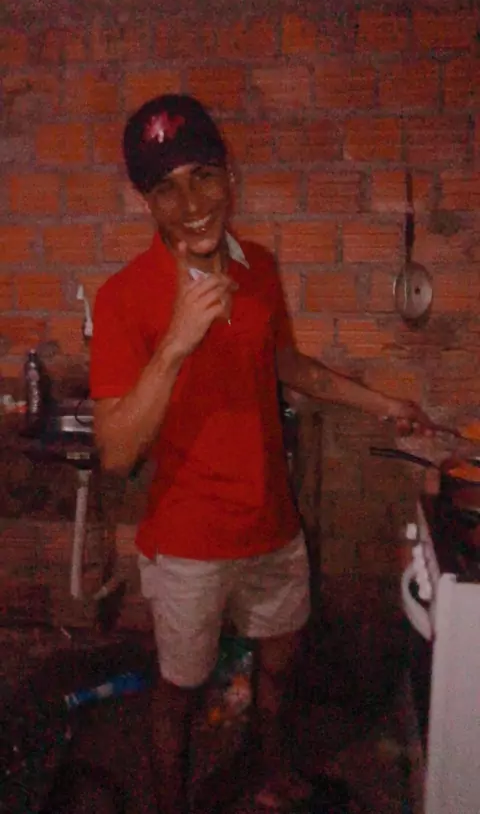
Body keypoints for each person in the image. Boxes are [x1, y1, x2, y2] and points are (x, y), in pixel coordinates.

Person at [89, 94, 433, 814]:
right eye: (166, 188)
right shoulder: (123, 297)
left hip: (273, 525)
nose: (191, 204)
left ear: (229, 176)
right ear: (146, 202)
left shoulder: (260, 268)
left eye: (204, 176)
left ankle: (271, 772)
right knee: (179, 692)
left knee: (278, 667)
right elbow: (116, 453)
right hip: (188, 543)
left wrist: (385, 404)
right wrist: (176, 342)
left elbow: (290, 366)